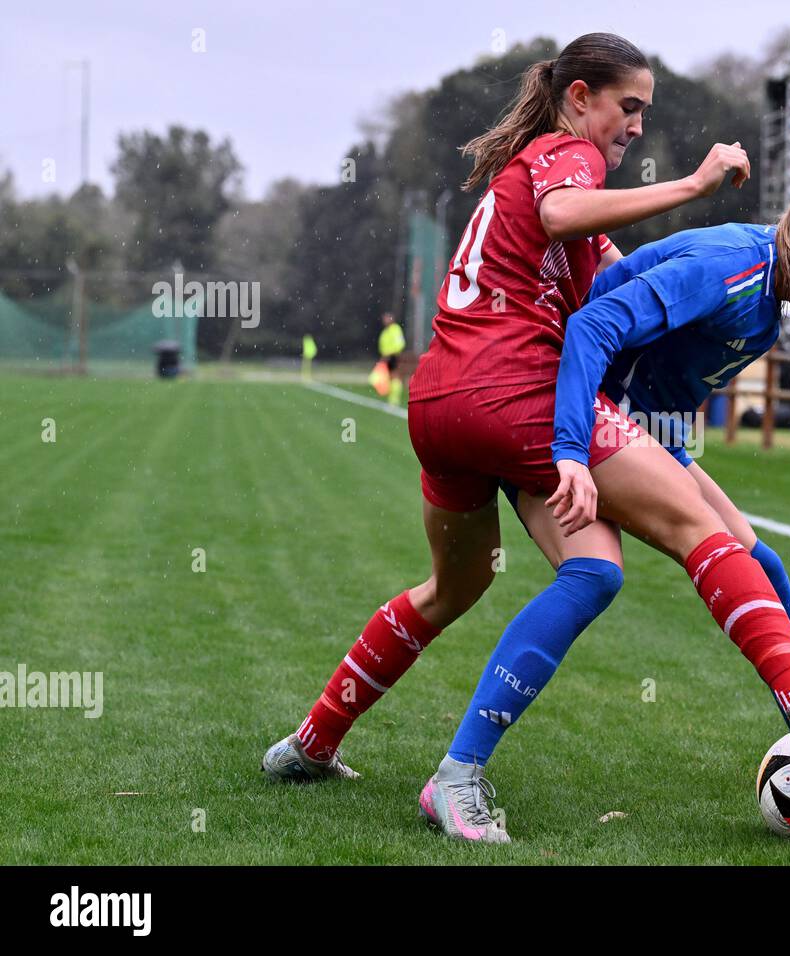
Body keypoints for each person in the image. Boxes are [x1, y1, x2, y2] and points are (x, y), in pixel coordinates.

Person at [261, 32, 754, 821]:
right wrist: (696, 186)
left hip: (441, 403)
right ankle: (456, 778)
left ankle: (312, 742)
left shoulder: (550, 196)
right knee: (680, 536)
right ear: (579, 96)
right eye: (628, 107)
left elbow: (610, 268)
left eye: (645, 113)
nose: (635, 127)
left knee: (455, 586)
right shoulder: (565, 155)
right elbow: (566, 209)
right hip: (510, 396)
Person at [421, 179, 790, 840]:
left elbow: (658, 392)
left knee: (759, 562)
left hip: (628, 425)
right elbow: (593, 326)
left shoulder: (767, 300)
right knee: (598, 575)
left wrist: (675, 463)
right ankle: (457, 775)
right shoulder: (730, 270)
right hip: (558, 411)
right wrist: (571, 450)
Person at [378, 313, 406, 405]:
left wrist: (390, 353)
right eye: (384, 319)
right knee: (389, 377)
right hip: (386, 357)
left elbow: (400, 343)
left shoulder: (395, 329)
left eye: (387, 318)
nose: (385, 320)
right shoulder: (386, 331)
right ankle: (391, 398)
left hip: (392, 356)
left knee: (394, 376)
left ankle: (394, 399)